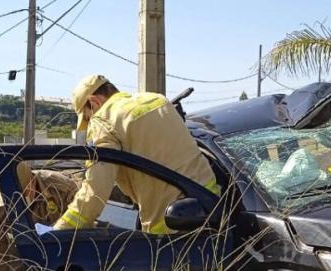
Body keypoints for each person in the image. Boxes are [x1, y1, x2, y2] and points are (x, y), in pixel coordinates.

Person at [52, 74, 220, 234]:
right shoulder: (157, 99)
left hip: (171, 223)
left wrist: (61, 229)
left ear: (94, 101)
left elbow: (96, 189)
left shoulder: (103, 120)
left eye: (87, 117)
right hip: (213, 206)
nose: (89, 122)